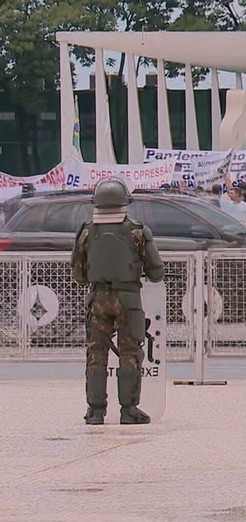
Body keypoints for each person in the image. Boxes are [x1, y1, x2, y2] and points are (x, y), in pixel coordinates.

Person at [70, 178, 165, 425]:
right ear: (125, 203)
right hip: (128, 299)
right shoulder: (137, 231)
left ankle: (95, 411)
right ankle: (129, 410)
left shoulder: (86, 232)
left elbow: (79, 275)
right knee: (130, 353)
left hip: (98, 299)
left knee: (96, 353)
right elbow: (156, 271)